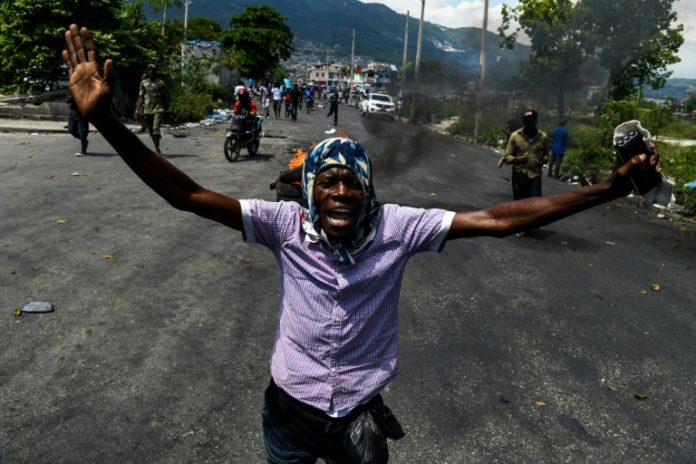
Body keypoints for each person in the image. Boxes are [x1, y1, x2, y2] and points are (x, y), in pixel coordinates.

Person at [63, 24, 661, 464]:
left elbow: (500, 218)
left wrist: (610, 189)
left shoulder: (398, 227)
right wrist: (110, 121)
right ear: (309, 191)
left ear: (369, 191)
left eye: (353, 180)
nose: (342, 191)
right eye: (328, 181)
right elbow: (187, 195)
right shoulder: (282, 225)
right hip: (290, 416)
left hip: (360, 418)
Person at [500, 109, 549, 202]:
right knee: (519, 204)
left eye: (531, 120)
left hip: (535, 176)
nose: (529, 123)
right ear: (523, 121)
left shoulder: (543, 137)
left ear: (536, 121)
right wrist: (519, 160)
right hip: (519, 175)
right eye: (526, 120)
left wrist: (542, 161)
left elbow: (546, 155)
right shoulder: (515, 136)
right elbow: (507, 156)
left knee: (535, 203)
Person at [134, 63, 167, 154]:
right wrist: (137, 110)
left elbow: (165, 96)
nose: (151, 72)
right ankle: (156, 147)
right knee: (151, 131)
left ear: (156, 72)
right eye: (149, 71)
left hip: (158, 108)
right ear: (147, 72)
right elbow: (141, 97)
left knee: (156, 129)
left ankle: (157, 149)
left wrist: (166, 109)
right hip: (147, 109)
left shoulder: (160, 83)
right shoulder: (144, 83)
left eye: (153, 71)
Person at [65, 91, 89, 156]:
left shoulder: (85, 91)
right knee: (71, 130)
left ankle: (83, 150)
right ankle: (84, 140)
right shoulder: (71, 90)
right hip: (72, 115)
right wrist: (71, 97)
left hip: (82, 115)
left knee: (83, 133)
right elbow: (67, 100)